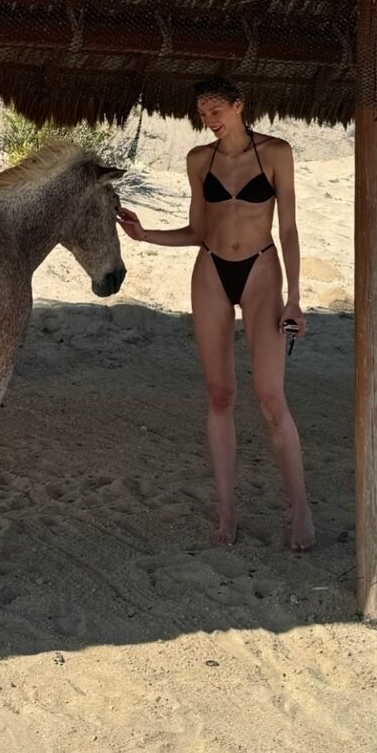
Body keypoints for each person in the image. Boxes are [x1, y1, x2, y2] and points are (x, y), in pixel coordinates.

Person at [117, 77, 315, 550]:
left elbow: (288, 229)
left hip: (262, 270)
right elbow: (196, 232)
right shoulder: (198, 160)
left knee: (271, 398)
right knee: (220, 395)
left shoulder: (276, 153)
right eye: (202, 114)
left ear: (238, 106)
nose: (208, 121)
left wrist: (294, 297)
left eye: (215, 111)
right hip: (210, 270)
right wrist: (146, 236)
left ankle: (300, 509)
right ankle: (227, 513)